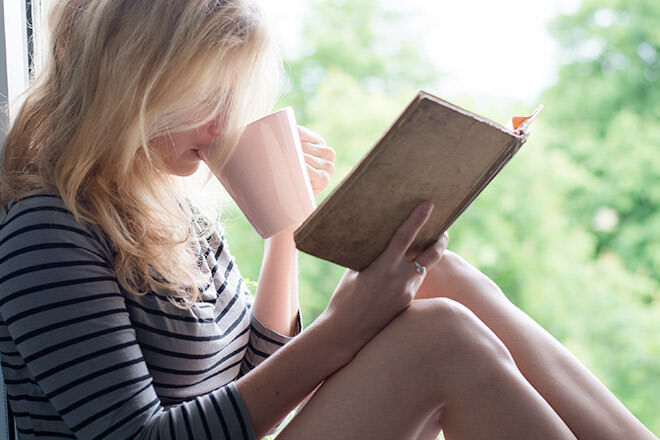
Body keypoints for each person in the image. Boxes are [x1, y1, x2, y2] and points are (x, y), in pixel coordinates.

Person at [0, 1, 656, 439]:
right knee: (440, 339)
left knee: (439, 278)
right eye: (205, 99)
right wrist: (347, 328)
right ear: (134, 90)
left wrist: (286, 230)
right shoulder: (44, 232)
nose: (225, 126)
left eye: (233, 99)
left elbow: (247, 380)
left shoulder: (172, 208)